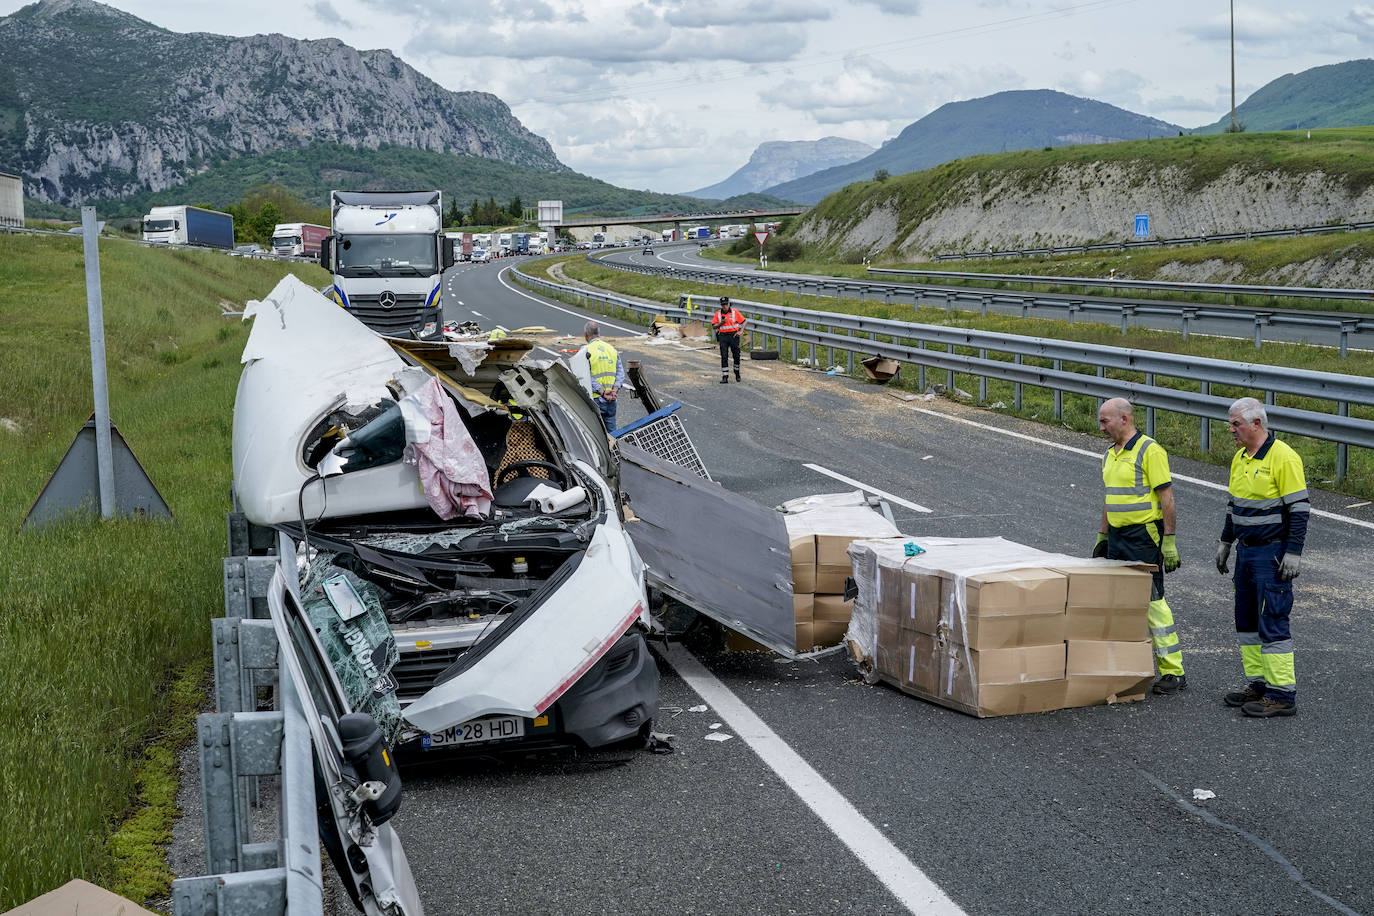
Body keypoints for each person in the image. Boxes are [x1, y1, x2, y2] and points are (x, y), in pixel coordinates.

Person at [1215, 397, 1309, 718]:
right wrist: (1226, 542)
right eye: (1231, 424)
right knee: (1247, 621)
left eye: (1236, 424)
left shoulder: (1283, 457)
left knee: (1272, 620)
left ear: (1257, 424)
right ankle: (1259, 684)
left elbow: (1299, 509)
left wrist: (1293, 552)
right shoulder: (1240, 458)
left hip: (1272, 553)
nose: (1231, 430)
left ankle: (1282, 694)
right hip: (1247, 552)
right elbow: (1234, 504)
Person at [1093, 398, 1186, 694]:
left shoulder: (1150, 450)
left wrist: (1169, 539)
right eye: (1100, 421)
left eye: (1105, 421)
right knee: (1119, 602)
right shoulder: (1110, 454)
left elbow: (1166, 498)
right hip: (1118, 537)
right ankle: (1125, 664)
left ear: (1124, 419)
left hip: (1145, 536)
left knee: (1153, 602)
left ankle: (1174, 671)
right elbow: (1111, 497)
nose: (1101, 427)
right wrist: (1103, 536)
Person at [581, 321, 624, 432]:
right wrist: (614, 390)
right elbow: (620, 373)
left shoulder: (586, 351)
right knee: (612, 434)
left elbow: (586, 376)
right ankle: (614, 449)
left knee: (595, 435)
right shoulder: (611, 349)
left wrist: (602, 392)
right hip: (611, 399)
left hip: (595, 399)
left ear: (586, 334)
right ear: (599, 333)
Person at [711, 296, 746, 384]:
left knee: (736, 355)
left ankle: (737, 372)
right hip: (723, 336)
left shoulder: (734, 312)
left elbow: (744, 321)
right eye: (723, 305)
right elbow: (713, 326)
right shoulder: (718, 314)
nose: (724, 306)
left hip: (733, 336)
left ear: (729, 304)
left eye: (726, 304)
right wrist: (721, 323)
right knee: (724, 356)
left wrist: (741, 331)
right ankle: (725, 376)